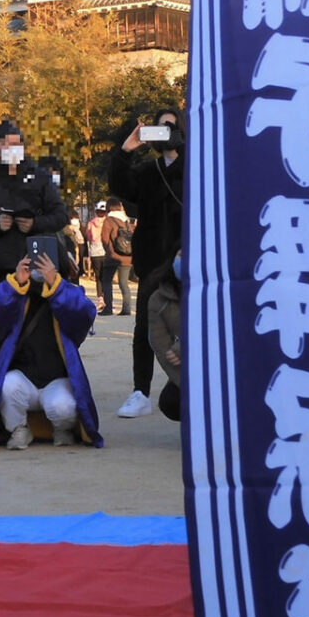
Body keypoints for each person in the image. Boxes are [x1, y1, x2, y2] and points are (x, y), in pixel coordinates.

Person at [0, 251, 102, 450]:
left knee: (62, 407)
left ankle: (61, 428)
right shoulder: (16, 295)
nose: (39, 267)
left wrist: (55, 285)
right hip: (23, 379)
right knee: (5, 386)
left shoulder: (69, 292)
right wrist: (16, 281)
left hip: (57, 380)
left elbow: (84, 313)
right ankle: (19, 428)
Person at [109, 108, 185, 418]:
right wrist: (126, 151)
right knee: (144, 328)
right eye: (159, 128)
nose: (164, 132)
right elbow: (121, 187)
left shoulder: (197, 165)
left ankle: (185, 387)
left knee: (190, 326)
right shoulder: (148, 171)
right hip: (153, 261)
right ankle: (141, 390)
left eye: (170, 126)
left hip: (188, 259)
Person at [0, 119, 68, 294]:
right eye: (6, 143)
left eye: (17, 143)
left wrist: (35, 224)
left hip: (36, 267)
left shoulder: (40, 179)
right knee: (5, 320)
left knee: (38, 320)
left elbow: (61, 215)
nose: (12, 148)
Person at [147, 251, 182, 422]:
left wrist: (184, 348)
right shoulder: (158, 300)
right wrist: (187, 385)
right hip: (186, 372)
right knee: (171, 401)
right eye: (181, 254)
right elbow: (161, 348)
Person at [99, 198, 134, 317]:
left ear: (109, 207)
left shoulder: (109, 220)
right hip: (127, 257)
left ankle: (108, 308)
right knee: (124, 283)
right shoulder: (127, 221)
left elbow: (104, 238)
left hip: (113, 257)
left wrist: (109, 252)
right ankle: (127, 308)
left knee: (107, 281)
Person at [85, 201, 107, 301]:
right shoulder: (108, 222)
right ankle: (107, 299)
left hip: (95, 252)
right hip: (106, 252)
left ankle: (100, 299)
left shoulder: (91, 223)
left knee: (98, 277)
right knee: (107, 278)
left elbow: (89, 237)